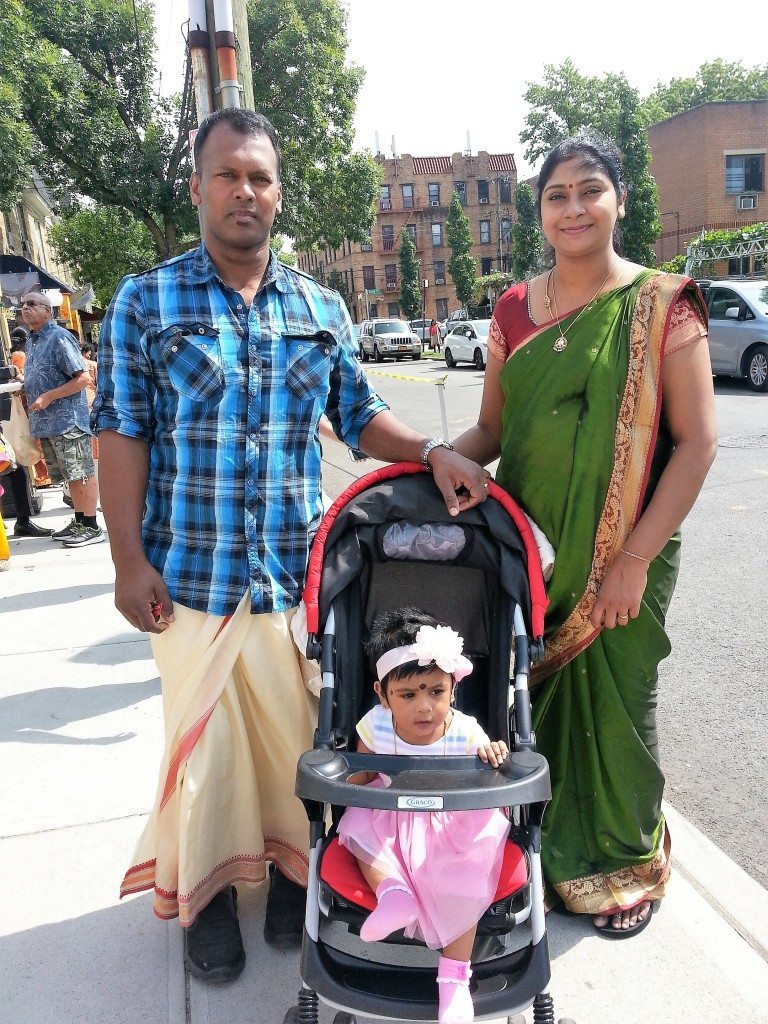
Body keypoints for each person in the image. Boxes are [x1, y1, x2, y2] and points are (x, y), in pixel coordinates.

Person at [92, 107, 488, 985]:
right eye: (227, 175)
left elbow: (356, 414)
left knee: (294, 747)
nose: (244, 191)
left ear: (278, 194)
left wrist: (430, 449)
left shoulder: (320, 307)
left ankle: (285, 877)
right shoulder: (143, 301)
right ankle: (200, 900)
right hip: (189, 579)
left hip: (295, 577)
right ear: (196, 188)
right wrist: (126, 558)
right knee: (206, 757)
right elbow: (119, 431)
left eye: (260, 177)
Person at [451, 131, 717, 938]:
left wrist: (632, 559)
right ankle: (532, 852)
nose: (573, 208)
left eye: (590, 190)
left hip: (627, 559)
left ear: (620, 201)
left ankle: (624, 865)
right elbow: (492, 431)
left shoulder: (665, 304)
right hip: (534, 551)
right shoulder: (510, 310)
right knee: (522, 702)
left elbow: (699, 442)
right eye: (557, 194)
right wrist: (424, 461)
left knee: (622, 707)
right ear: (539, 211)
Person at [337, 608, 509, 1024]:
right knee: (357, 824)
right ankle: (394, 894)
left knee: (463, 882)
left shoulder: (465, 731)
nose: (425, 707)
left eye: (436, 691)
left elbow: (492, 768)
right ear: (383, 694)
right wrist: (351, 770)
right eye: (408, 695)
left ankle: (453, 981)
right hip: (393, 816)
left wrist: (492, 755)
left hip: (451, 825)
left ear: (453, 687)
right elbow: (359, 775)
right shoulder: (375, 726)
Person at [20, 292, 104, 547]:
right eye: (23, 305)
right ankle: (79, 521)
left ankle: (91, 525)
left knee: (82, 474)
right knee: (70, 476)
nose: (25, 308)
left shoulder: (58, 337)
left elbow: (82, 379)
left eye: (32, 304)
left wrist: (47, 396)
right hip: (49, 423)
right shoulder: (32, 341)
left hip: (69, 420)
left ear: (48, 311)